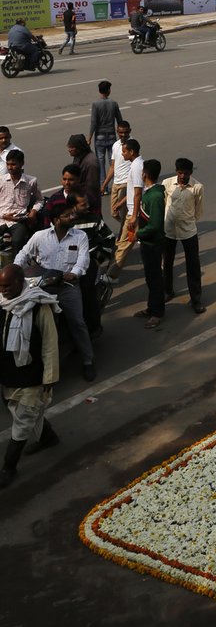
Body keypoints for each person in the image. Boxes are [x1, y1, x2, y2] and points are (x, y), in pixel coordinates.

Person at [16, 197, 95, 382]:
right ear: (55, 220)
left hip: (68, 288)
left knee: (78, 323)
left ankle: (88, 361)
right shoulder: (39, 237)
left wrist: (74, 273)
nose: (72, 217)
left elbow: (83, 260)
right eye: (67, 215)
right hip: (43, 289)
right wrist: (14, 270)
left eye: (72, 213)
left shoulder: (80, 236)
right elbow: (23, 254)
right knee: (35, 325)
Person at [0, 263, 60, 490]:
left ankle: (9, 466)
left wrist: (49, 377)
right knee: (20, 410)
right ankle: (48, 437)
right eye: (0, 287)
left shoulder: (38, 305)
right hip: (8, 373)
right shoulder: (3, 303)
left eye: (7, 286)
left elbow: (49, 343)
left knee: (23, 420)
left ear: (19, 282)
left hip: (31, 375)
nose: (3, 291)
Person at [162, 158, 205, 315]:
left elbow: (198, 211)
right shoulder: (167, 184)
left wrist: (187, 220)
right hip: (169, 230)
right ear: (176, 172)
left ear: (190, 173)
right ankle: (168, 291)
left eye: (185, 173)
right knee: (167, 262)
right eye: (179, 173)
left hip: (189, 231)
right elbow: (164, 203)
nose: (182, 176)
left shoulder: (197, 187)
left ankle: (196, 299)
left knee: (193, 266)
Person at [135, 159, 166, 328]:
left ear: (144, 174)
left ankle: (157, 312)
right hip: (147, 242)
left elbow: (155, 225)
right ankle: (151, 307)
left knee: (154, 279)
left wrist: (138, 233)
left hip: (153, 244)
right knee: (150, 277)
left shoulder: (155, 196)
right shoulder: (150, 193)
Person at [108, 138, 144, 281]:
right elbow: (131, 191)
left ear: (131, 152)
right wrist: (121, 202)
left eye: (124, 152)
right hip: (131, 212)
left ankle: (111, 275)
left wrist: (134, 216)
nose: (122, 155)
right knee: (122, 243)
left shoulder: (136, 167)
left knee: (125, 244)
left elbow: (137, 192)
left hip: (133, 215)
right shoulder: (135, 165)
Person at [0, 149, 43, 255]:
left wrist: (33, 212)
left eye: (13, 164)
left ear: (22, 163)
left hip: (19, 221)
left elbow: (40, 200)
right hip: (1, 219)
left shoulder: (31, 181)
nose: (10, 167)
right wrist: (4, 216)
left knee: (17, 241)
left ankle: (16, 268)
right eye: (8, 164)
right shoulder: (1, 180)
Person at [87, 80, 124, 186]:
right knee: (113, 162)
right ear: (108, 90)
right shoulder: (113, 103)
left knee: (100, 161)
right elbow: (120, 121)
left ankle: (103, 185)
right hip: (112, 136)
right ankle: (116, 182)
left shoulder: (96, 104)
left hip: (100, 137)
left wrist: (89, 137)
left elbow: (94, 122)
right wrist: (122, 135)